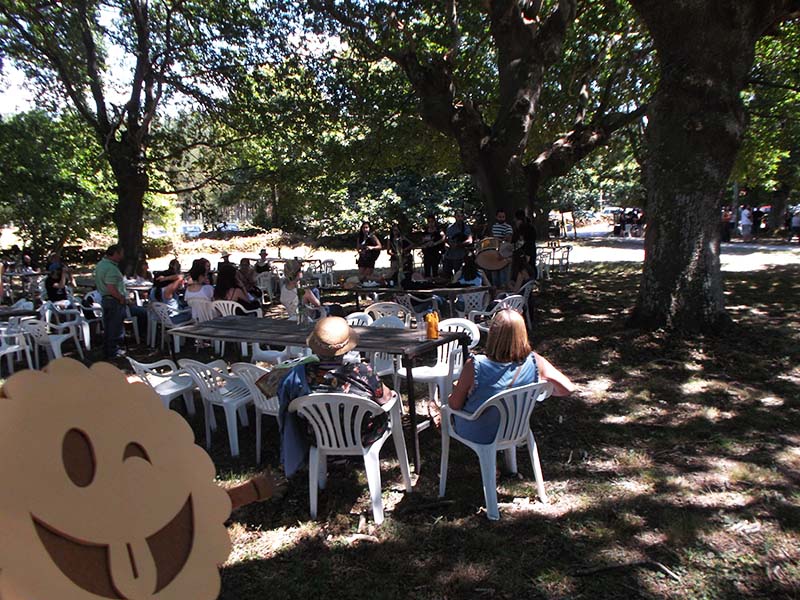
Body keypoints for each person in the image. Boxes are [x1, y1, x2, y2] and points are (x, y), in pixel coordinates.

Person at [273, 316, 393, 477]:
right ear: (348, 348)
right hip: (361, 435)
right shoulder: (363, 371)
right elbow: (385, 398)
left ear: (315, 348)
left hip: (318, 436)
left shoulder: (300, 375)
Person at [447, 309, 575, 444]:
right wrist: (541, 392)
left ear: (493, 334)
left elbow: (455, 405)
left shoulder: (475, 365)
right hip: (515, 430)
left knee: (444, 408)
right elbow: (568, 388)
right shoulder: (536, 361)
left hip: (479, 433)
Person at [94, 244, 128, 359]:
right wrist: (121, 298)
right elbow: (111, 287)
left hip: (106, 299)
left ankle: (107, 350)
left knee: (108, 326)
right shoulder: (111, 268)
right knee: (115, 327)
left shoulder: (101, 265)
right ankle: (113, 351)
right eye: (121, 254)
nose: (122, 257)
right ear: (115, 253)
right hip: (114, 300)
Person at [443, 209, 473, 278]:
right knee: (446, 275)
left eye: (461, 216)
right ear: (455, 216)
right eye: (458, 216)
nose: (459, 218)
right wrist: (446, 245)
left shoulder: (466, 228)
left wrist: (459, 245)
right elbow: (446, 240)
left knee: (459, 275)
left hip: (460, 255)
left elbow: (470, 240)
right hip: (449, 255)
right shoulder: (450, 228)